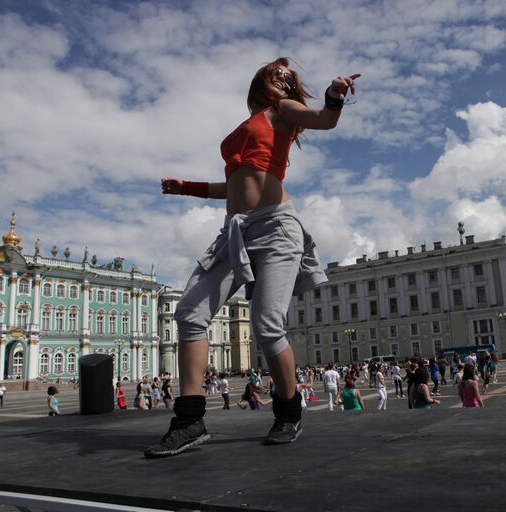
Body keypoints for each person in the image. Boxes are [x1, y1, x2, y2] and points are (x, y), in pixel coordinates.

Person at [145, 58, 360, 458]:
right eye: (274, 75)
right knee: (190, 312)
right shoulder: (252, 122)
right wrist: (185, 187)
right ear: (259, 82)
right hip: (236, 230)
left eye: (288, 78)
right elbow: (232, 186)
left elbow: (325, 120)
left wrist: (334, 97)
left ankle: (288, 412)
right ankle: (190, 421)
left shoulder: (284, 111)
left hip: (277, 227)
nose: (281, 80)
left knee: (266, 325)